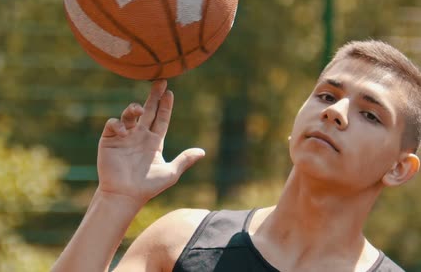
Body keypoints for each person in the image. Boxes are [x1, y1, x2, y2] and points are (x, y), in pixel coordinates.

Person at [51, 40, 420, 272]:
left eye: (370, 115)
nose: (335, 112)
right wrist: (115, 200)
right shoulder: (179, 243)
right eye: (326, 95)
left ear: (399, 168)